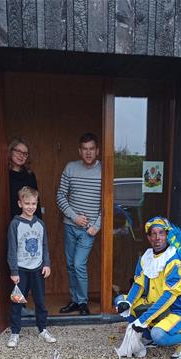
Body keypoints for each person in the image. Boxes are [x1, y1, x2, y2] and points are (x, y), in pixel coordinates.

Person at [115, 217, 181, 359]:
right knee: (120, 301)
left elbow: (169, 296)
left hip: (175, 311)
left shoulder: (174, 260)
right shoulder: (146, 257)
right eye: (153, 233)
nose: (157, 238)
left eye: (161, 233)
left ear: (167, 235)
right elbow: (138, 284)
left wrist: (144, 319)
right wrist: (128, 302)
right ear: (148, 237)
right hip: (151, 304)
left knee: (158, 335)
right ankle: (147, 335)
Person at [56, 132, 102, 316]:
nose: (88, 152)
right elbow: (60, 196)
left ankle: (82, 302)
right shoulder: (71, 168)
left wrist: (97, 225)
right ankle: (75, 300)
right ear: (79, 151)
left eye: (92, 149)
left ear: (97, 151)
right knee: (70, 265)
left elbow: (108, 202)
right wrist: (74, 217)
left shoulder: (104, 171)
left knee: (78, 264)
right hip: (70, 225)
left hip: (88, 230)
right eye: (85, 149)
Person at [7, 186, 56, 348]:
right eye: (27, 203)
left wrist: (46, 264)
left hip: (37, 269)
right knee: (17, 302)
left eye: (33, 203)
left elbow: (44, 246)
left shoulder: (40, 224)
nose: (30, 207)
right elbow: (12, 249)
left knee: (40, 301)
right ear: (20, 204)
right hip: (21, 269)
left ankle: (43, 329)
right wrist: (14, 271)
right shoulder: (15, 224)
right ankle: (15, 332)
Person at [8, 137, 42, 221]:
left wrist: (38, 221)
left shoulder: (30, 175)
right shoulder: (3, 175)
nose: (21, 156)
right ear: (11, 151)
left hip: (27, 220)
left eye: (25, 154)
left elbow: (36, 200)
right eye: (18, 151)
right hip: (8, 219)